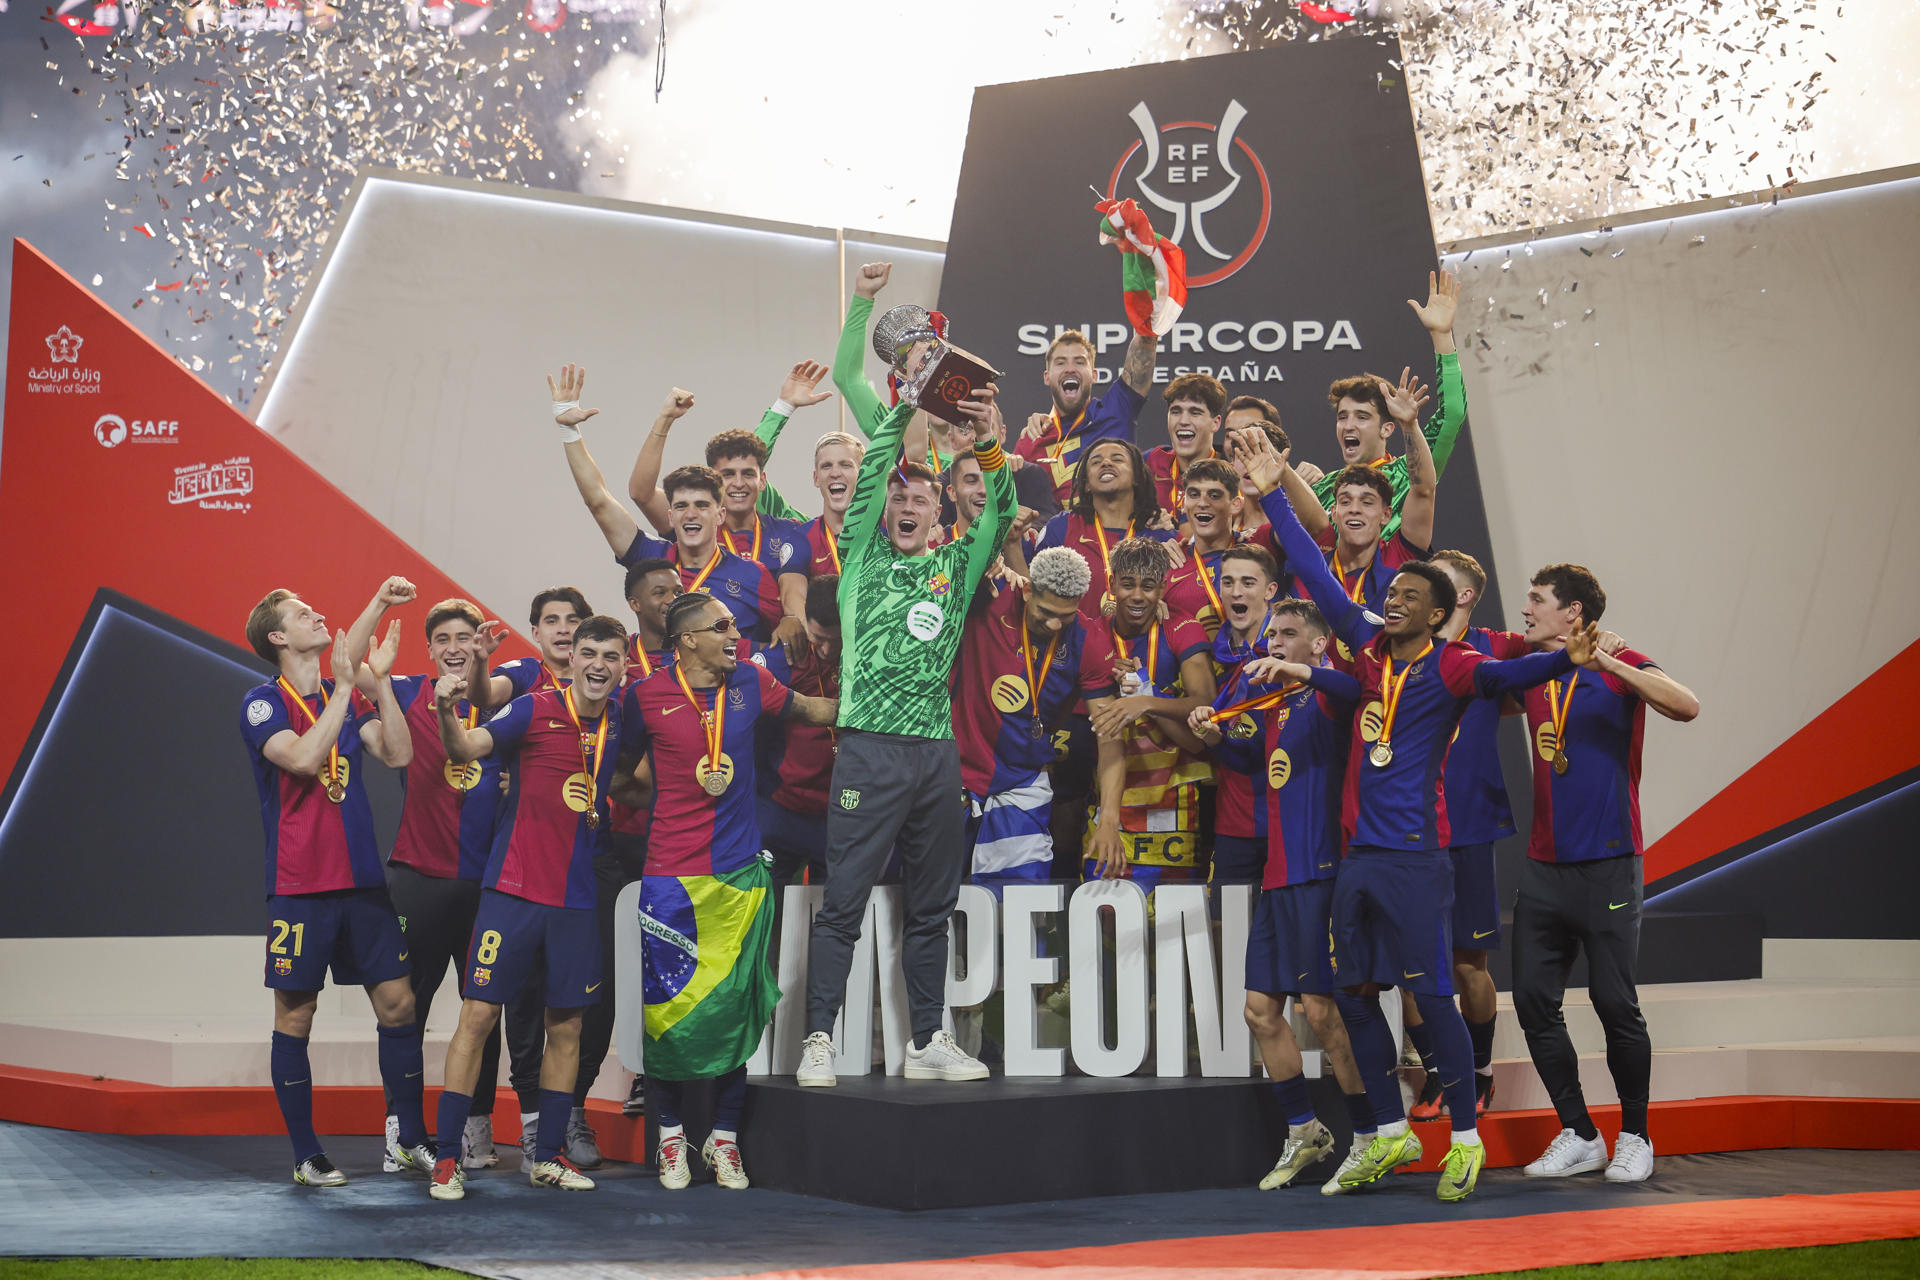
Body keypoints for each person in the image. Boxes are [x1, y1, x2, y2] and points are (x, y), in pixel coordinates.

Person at [1235, 426, 1597, 1203]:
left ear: (1436, 615)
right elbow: (1313, 573)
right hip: (1359, 858)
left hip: (1418, 857)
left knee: (1431, 995)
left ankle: (1464, 1139)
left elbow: (1515, 672)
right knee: (1358, 993)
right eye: (1388, 594)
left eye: (1405, 597)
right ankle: (1391, 1135)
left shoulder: (1459, 665)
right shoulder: (1365, 652)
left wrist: (1569, 653)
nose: (1387, 601)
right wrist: (1272, 491)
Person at [796, 393, 1015, 1089]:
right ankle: (819, 1040)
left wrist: (984, 443)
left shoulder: (956, 570)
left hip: (934, 757)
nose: (908, 505)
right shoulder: (859, 559)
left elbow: (1001, 512)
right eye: (899, 499)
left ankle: (926, 1039)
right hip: (869, 749)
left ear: (939, 510)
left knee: (932, 906)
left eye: (921, 497)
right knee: (845, 904)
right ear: (885, 512)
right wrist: (909, 406)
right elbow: (871, 475)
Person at [620, 591, 840, 1189]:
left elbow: (814, 711)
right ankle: (670, 1138)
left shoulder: (750, 681)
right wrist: (667, 801)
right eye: (721, 626)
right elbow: (620, 775)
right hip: (670, 878)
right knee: (668, 1013)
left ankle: (724, 1139)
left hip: (742, 874)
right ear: (687, 639)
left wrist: (892, 704)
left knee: (738, 1008)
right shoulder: (645, 697)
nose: (734, 633)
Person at [426, 614, 632, 1201]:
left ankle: (546, 1157)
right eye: (588, 652)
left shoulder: (618, 720)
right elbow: (466, 746)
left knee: (566, 1025)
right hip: (512, 892)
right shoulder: (533, 708)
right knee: (478, 1017)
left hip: (576, 900)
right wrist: (446, 709)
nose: (597, 664)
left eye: (610, 656)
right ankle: (447, 1159)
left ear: (623, 665)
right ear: (570, 659)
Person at [1513, 564, 1698, 1186]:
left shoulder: (1624, 662)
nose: (1526, 609)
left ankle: (1637, 1135)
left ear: (1573, 613)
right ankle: (1581, 1133)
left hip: (1609, 864)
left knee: (1614, 1002)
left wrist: (1608, 664)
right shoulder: (1534, 665)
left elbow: (1687, 706)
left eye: (1537, 600)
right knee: (1535, 1002)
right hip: (1543, 867)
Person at [239, 587, 426, 1187]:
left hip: (363, 882)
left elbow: (398, 754)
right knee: (298, 1013)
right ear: (277, 637)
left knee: (400, 1004)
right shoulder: (263, 703)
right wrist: (346, 688)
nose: (316, 614)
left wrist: (382, 685)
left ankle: (408, 1139)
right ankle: (306, 1154)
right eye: (301, 614)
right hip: (300, 886)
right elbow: (299, 758)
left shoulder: (342, 700)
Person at [1188, 597, 1372, 1191]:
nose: (1274, 641)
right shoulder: (1275, 705)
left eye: (1288, 634)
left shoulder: (1326, 696)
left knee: (1322, 1013)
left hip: (1320, 873)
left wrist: (1300, 672)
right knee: (1260, 1011)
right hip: (1278, 874)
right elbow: (1251, 760)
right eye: (1271, 634)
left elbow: (1349, 690)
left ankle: (1370, 1136)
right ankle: (1305, 1131)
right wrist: (1213, 735)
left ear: (1318, 645)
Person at [341, 582, 506, 1174]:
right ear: (430, 651)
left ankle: (475, 1131)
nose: (455, 647)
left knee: (484, 1009)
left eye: (465, 637)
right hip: (418, 877)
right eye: (444, 640)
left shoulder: (500, 701)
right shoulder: (406, 691)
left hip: (489, 886)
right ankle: (402, 1130)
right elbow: (349, 664)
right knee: (405, 1005)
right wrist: (381, 605)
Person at [463, 585, 607, 1168]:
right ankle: (528, 1120)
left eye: (574, 620)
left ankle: (565, 1112)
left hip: (583, 856)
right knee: (518, 1001)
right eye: (552, 621)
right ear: (537, 630)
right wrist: (478, 661)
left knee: (577, 1004)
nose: (564, 629)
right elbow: (481, 697)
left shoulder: (605, 690)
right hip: (519, 857)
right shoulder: (523, 678)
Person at [1401, 549, 1522, 1123]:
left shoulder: (1497, 648)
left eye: (1438, 585)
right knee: (1410, 963)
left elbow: (1559, 657)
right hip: (1408, 824)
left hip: (1469, 823)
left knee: (1468, 962)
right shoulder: (1401, 647)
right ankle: (1437, 1075)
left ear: (1465, 596)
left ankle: (1477, 1074)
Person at [546, 367, 785, 644]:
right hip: (664, 686)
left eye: (702, 505)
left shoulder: (754, 575)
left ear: (720, 514)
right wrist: (568, 430)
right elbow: (598, 500)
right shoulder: (653, 560)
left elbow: (782, 644)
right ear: (670, 515)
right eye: (682, 506)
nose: (691, 513)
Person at [953, 546, 1123, 892]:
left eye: (1066, 615)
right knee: (933, 898)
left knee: (1019, 906)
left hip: (1022, 783)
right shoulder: (991, 599)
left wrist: (1109, 818)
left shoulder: (1088, 640)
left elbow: (1110, 738)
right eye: (1045, 612)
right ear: (1027, 589)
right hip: (954, 773)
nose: (1054, 624)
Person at [625, 379, 812, 651]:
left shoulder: (789, 532)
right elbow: (641, 493)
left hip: (757, 665)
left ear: (762, 481)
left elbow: (795, 588)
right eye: (727, 475)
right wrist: (665, 420)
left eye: (748, 474)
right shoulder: (695, 523)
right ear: (713, 481)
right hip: (687, 660)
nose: (738, 483)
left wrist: (791, 617)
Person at [1084, 538, 1217, 890]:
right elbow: (1105, 734)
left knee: (1172, 920)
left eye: (1148, 586)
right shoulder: (1095, 636)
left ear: (1162, 587)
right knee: (1107, 914)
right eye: (1127, 585)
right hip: (1114, 791)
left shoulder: (1182, 628)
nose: (1138, 597)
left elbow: (1206, 703)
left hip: (1173, 797)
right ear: (1112, 584)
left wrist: (1146, 697)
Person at [1304, 270, 1466, 541]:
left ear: (1388, 428)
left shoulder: (1409, 474)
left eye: (1362, 416)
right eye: (1342, 416)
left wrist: (1442, 336)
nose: (1348, 425)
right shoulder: (1323, 487)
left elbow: (1453, 414)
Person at [1294, 370, 1437, 632]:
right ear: (1333, 512)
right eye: (1346, 502)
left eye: (1368, 502)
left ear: (1386, 515)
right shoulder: (1312, 569)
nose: (1355, 509)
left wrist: (1410, 425)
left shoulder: (1396, 557)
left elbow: (1424, 490)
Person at [1194, 544, 1281, 893]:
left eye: (1248, 582)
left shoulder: (1284, 652)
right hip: (1233, 817)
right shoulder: (1217, 651)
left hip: (1281, 820)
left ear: (1270, 591)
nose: (1236, 592)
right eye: (1227, 582)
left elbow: (1255, 751)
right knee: (1224, 927)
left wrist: (1216, 740)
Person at [753, 574, 844, 898]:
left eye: (837, 640)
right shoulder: (786, 657)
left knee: (828, 921)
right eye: (818, 638)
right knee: (761, 911)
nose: (827, 649)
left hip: (837, 816)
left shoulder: (866, 656)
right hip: (779, 811)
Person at [1013, 325, 1158, 506]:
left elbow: (1143, 356)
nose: (1070, 369)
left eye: (1079, 362)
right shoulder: (1031, 439)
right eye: (1060, 362)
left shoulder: (1116, 410)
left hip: (1122, 532)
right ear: (1047, 377)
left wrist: (1146, 321)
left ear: (1094, 375)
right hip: (1058, 533)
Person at [1033, 438, 1173, 615]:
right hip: (1074, 641)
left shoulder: (1162, 537)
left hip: (1141, 642)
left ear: (1137, 477)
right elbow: (1034, 593)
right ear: (1086, 484)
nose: (1106, 462)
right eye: (1096, 462)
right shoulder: (1061, 527)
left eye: (1117, 459)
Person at [1143, 373, 1226, 522]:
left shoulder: (1233, 472)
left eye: (1195, 413)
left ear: (1216, 423)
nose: (1183, 421)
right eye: (1176, 412)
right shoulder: (1150, 462)